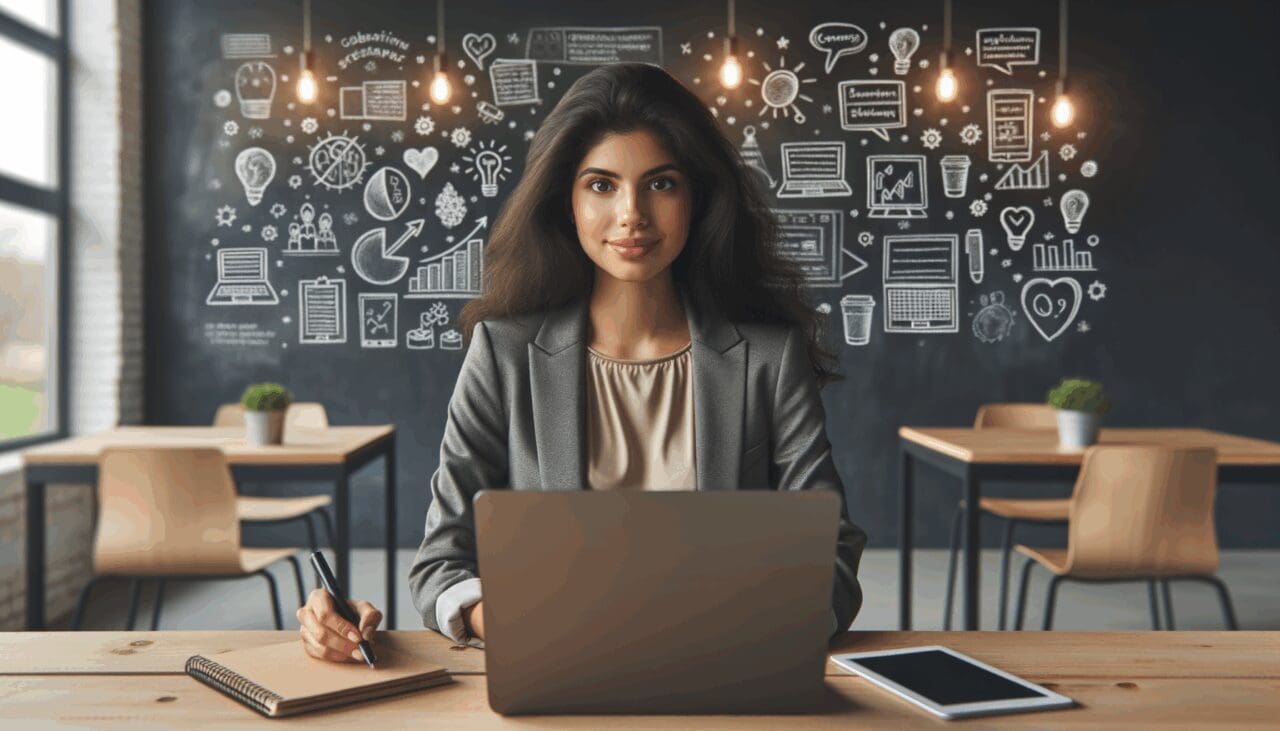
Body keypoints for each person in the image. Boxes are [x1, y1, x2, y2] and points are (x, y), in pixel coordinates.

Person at [298, 62, 867, 662]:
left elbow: (832, 548)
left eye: (662, 183)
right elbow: (442, 561)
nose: (632, 215)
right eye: (601, 185)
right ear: (564, 201)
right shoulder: (502, 354)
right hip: (557, 671)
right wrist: (521, 626)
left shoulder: (768, 360)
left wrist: (768, 627)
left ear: (697, 199)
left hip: (727, 668)